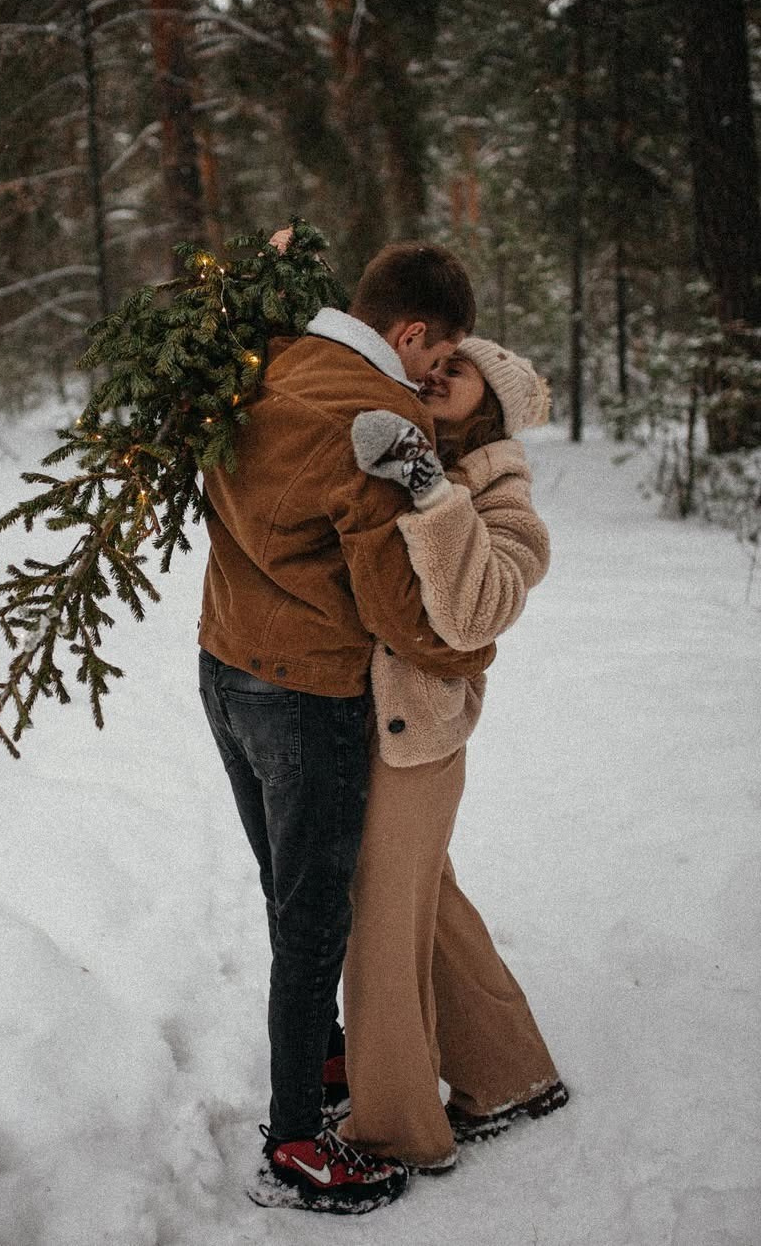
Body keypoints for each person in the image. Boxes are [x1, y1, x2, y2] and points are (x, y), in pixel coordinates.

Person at [196, 241, 494, 1214]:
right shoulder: (380, 410)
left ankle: (321, 1053)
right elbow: (391, 595)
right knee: (314, 919)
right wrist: (463, 656)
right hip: (307, 691)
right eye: (434, 354)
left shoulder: (270, 359)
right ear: (408, 332)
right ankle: (293, 1144)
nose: (432, 375)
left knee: (291, 896)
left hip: (223, 666)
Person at [334, 337, 569, 1173]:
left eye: (456, 371)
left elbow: (472, 613)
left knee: (382, 928)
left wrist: (431, 492)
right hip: (366, 721)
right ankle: (510, 1072)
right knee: (424, 901)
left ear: (492, 408)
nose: (435, 372)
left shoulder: (508, 503)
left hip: (418, 742)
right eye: (433, 361)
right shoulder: (399, 450)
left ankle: (397, 1130)